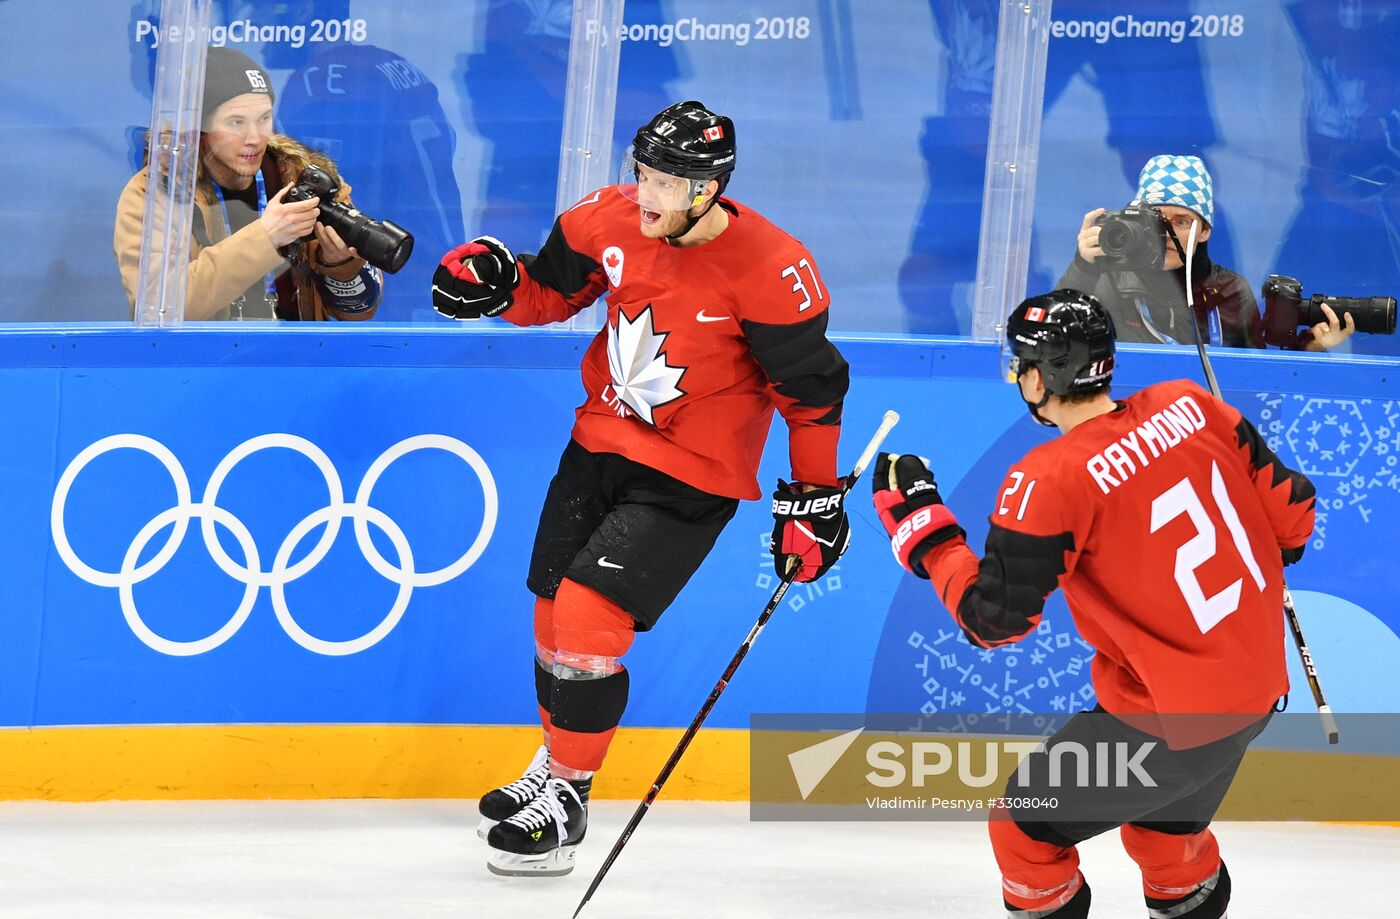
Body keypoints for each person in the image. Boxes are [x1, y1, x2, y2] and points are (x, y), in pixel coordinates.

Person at [431, 101, 851, 876]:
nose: (649, 193)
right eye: (645, 173)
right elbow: (548, 297)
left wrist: (816, 497)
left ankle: (568, 796)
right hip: (597, 444)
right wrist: (495, 286)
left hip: (691, 474)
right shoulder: (606, 217)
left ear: (710, 188)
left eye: (670, 182)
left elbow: (813, 393)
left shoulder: (771, 268)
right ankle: (556, 763)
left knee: (591, 613)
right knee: (553, 609)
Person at [871, 289, 1315, 918]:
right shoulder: (1190, 403)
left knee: (1022, 830)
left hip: (1167, 722)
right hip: (1258, 694)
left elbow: (993, 621)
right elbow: (1295, 517)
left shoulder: (1049, 478)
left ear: (1038, 377)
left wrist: (927, 534)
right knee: (1165, 841)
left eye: (1020, 364)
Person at [114, 47, 382, 321]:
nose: (254, 137)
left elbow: (360, 312)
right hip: (208, 360)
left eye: (264, 119)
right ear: (199, 130)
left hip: (295, 358)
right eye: (236, 122)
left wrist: (341, 265)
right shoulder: (157, 191)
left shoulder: (302, 179)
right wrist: (266, 236)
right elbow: (158, 308)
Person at [1060, 153, 1353, 351]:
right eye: (1156, 220)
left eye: (1182, 221)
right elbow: (1054, 344)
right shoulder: (1108, 282)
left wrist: (1310, 347)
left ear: (1205, 230)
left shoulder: (1229, 290)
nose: (1167, 235)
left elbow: (1256, 381)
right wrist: (1083, 268)